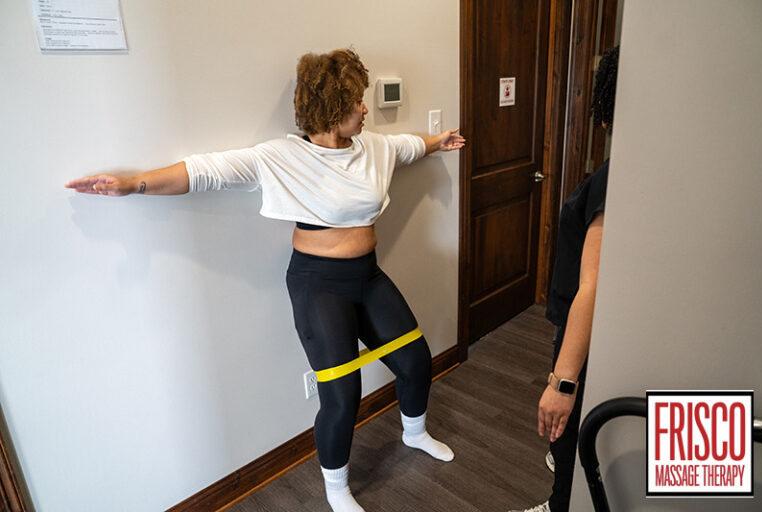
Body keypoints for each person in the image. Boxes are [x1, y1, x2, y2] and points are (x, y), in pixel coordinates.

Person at [66, 48, 465, 512]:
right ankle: (337, 488)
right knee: (342, 396)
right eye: (355, 101)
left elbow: (410, 146)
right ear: (331, 108)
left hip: (368, 276)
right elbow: (204, 171)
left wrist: (438, 140)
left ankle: (414, 433)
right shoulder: (282, 157)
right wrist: (133, 184)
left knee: (415, 359)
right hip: (318, 285)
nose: (364, 108)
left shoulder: (374, 147)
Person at [510, 45, 619, 512]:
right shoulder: (637, 170)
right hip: (586, 324)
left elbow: (592, 285)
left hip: (585, 328)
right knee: (568, 440)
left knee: (567, 429)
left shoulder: (612, 180)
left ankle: (559, 504)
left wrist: (562, 385)